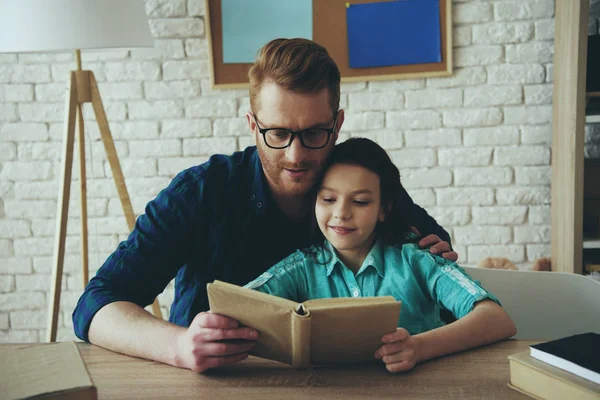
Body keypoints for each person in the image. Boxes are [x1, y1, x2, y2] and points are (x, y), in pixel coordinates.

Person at [72, 38, 457, 373]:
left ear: (337, 126)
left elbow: (434, 253)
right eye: (277, 133)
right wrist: (179, 346)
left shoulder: (362, 182)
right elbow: (96, 305)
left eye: (314, 134)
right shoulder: (201, 192)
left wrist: (434, 253)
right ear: (253, 125)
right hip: (218, 384)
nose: (295, 155)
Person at [244, 138, 517, 373]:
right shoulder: (302, 266)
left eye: (360, 201)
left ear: (384, 209)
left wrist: (419, 347)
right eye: (328, 199)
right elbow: (238, 308)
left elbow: (497, 319)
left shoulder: (417, 258)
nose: (341, 213)